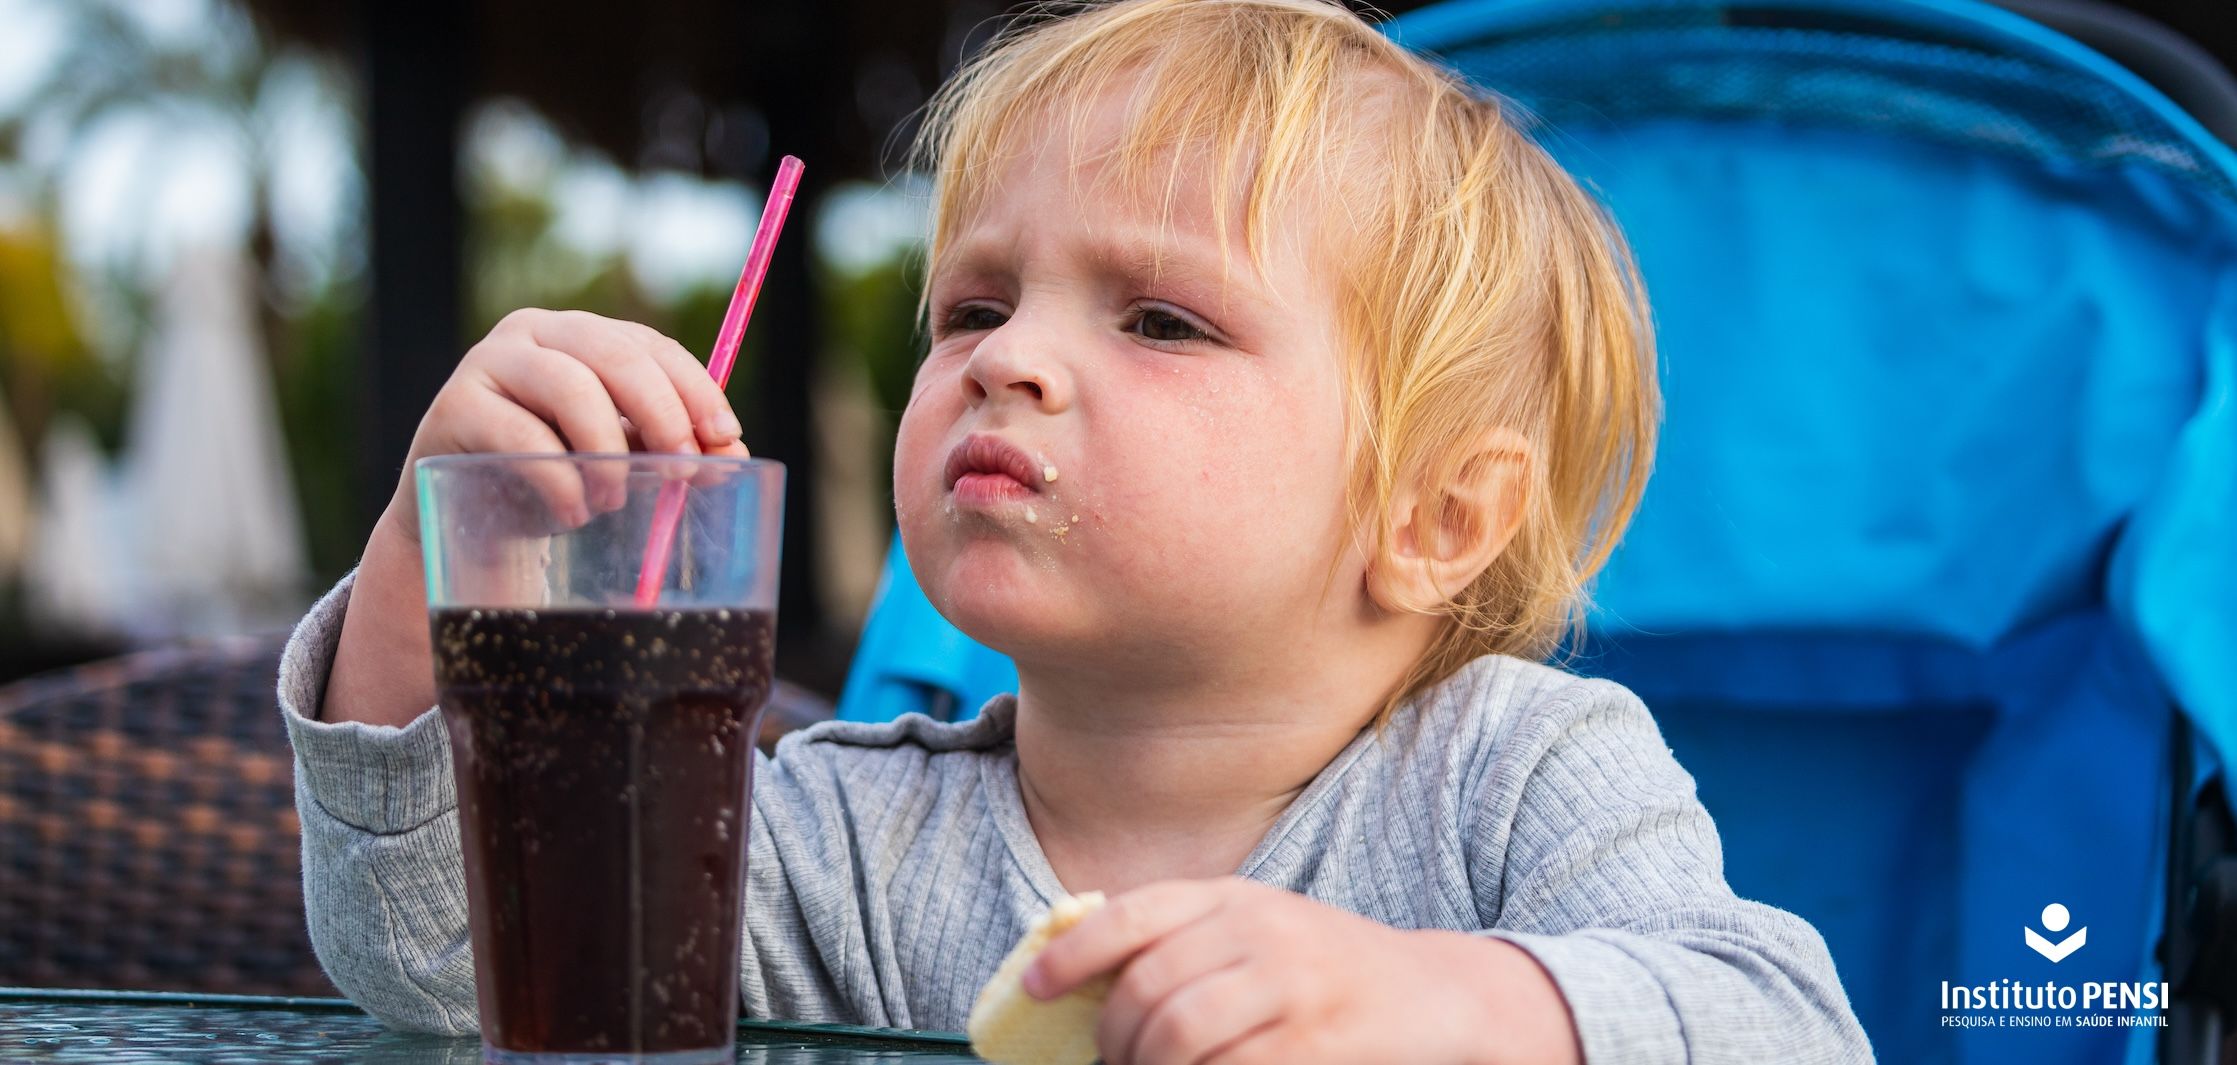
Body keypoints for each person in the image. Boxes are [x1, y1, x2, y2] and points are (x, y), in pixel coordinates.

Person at [281, 0, 1874, 1061]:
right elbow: (442, 968)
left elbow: (1787, 1023)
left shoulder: (1515, 774)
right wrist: (439, 562)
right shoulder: (848, 836)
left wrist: (1451, 998)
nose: (1007, 356)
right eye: (973, 302)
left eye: (1162, 320)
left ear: (1435, 513)